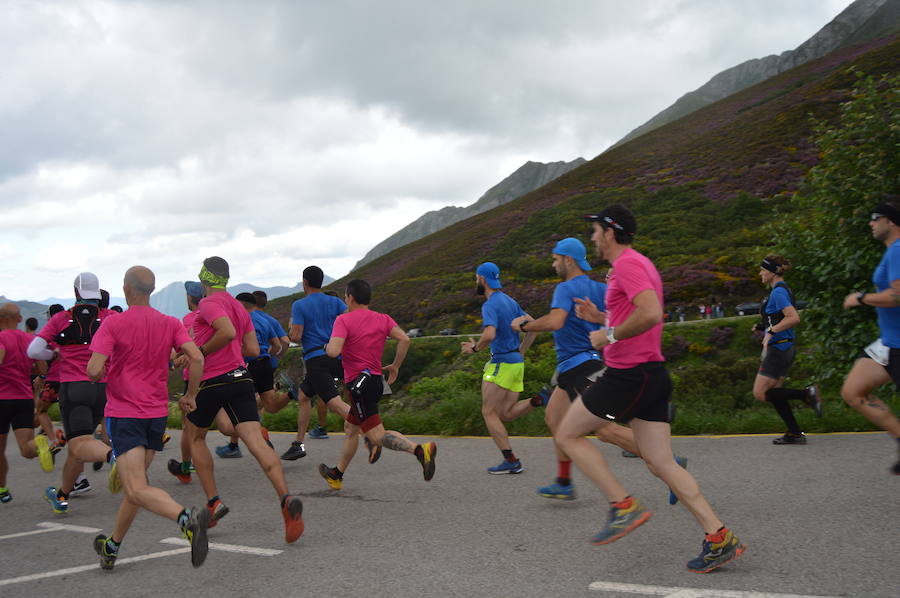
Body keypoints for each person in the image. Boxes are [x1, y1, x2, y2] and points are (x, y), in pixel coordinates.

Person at [555, 204, 744, 573]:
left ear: (610, 232)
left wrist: (606, 334)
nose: (592, 238)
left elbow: (653, 313)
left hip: (630, 374)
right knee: (660, 461)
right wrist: (600, 318)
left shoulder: (628, 264)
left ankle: (622, 505)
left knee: (567, 434)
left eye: (595, 231)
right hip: (651, 373)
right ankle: (719, 537)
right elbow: (636, 312)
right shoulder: (634, 265)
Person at [511, 238, 663, 500]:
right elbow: (619, 321)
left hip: (580, 366)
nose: (553, 263)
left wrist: (524, 327)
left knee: (605, 429)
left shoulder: (566, 287)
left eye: (556, 258)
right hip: (577, 366)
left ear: (568, 260)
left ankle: (665, 461)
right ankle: (563, 481)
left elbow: (556, 321)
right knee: (554, 419)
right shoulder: (601, 289)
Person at [86, 266, 210, 569]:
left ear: (127, 289)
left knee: (137, 487)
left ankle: (187, 519)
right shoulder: (169, 322)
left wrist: (100, 371)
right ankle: (112, 546)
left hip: (125, 415)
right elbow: (197, 356)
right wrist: (190, 395)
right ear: (150, 290)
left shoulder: (114, 324)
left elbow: (92, 370)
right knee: (136, 488)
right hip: (156, 416)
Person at [182, 256, 304, 542]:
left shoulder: (209, 303)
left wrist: (198, 351)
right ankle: (285, 498)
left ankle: (214, 502)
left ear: (203, 279)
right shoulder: (238, 306)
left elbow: (226, 332)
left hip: (211, 382)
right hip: (240, 378)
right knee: (256, 442)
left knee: (196, 437)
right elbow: (251, 348)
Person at [317, 279, 435, 489]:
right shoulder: (383, 318)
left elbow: (334, 352)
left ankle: (419, 450)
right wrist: (396, 366)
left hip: (358, 386)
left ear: (350, 297)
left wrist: (328, 346)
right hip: (375, 381)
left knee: (377, 435)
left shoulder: (343, 320)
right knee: (351, 428)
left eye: (345, 297)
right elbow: (405, 340)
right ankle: (337, 474)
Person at [29, 273, 118, 514]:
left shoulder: (61, 318)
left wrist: (54, 354)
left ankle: (113, 457)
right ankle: (62, 495)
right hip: (103, 388)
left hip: (74, 388)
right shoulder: (110, 316)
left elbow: (34, 350)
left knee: (80, 443)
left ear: (76, 292)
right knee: (79, 444)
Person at [841, 196, 900, 475]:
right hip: (888, 343)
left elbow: (898, 295)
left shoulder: (899, 249)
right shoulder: (892, 251)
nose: (870, 223)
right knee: (853, 391)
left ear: (890, 221)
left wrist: (862, 298)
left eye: (875, 218)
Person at [460, 262, 536, 474]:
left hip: (501, 363)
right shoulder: (510, 301)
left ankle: (510, 461)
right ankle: (539, 400)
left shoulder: (490, 304)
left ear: (482, 279)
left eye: (476, 278)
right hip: (516, 364)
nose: (476, 281)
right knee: (506, 413)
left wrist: (475, 348)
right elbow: (533, 326)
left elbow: (490, 334)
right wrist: (521, 351)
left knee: (489, 412)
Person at [284, 266, 351, 461]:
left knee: (336, 404)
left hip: (316, 360)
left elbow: (296, 336)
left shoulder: (299, 305)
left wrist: (290, 329)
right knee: (304, 396)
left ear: (305, 282)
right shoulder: (336, 301)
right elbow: (348, 321)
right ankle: (298, 444)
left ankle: (373, 431)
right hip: (335, 356)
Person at [752, 255, 820, 444]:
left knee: (760, 393)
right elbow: (778, 317)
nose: (760, 273)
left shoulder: (778, 292)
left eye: (763, 269)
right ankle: (794, 433)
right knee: (776, 394)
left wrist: (771, 332)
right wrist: (762, 327)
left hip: (779, 349)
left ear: (772, 272)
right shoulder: (781, 289)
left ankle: (806, 394)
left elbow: (793, 318)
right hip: (785, 347)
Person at [0, 303, 51, 503]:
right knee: (26, 448)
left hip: (1, 399)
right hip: (23, 399)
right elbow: (42, 368)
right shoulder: (30, 339)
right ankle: (39, 445)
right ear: (19, 319)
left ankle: (2, 489)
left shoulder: (1, 339)